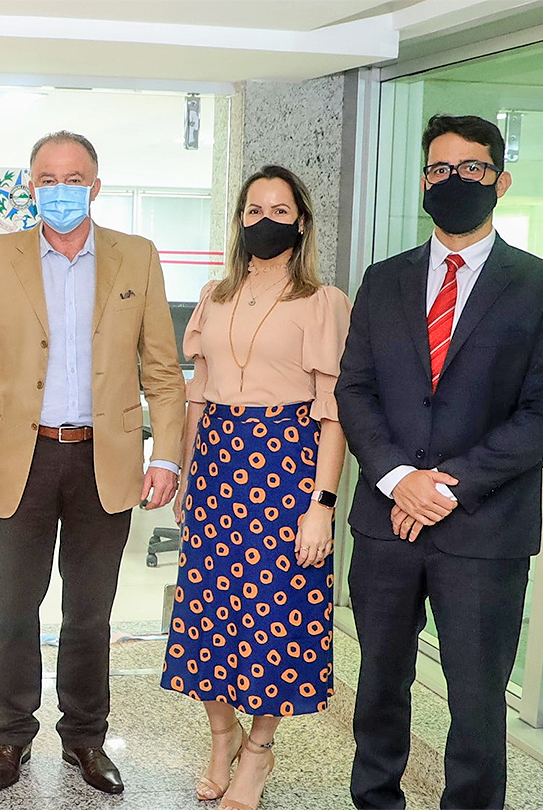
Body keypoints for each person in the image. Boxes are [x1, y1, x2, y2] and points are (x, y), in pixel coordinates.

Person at [338, 114, 543, 810]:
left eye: (471, 168)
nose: (454, 180)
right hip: (386, 523)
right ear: (423, 182)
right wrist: (398, 480)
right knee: (379, 686)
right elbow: (355, 389)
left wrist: (445, 487)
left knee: (476, 700)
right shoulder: (383, 280)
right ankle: (375, 800)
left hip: (484, 528)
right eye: (439, 169)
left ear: (500, 181)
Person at [0, 131, 187, 795]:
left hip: (104, 460)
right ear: (31, 187)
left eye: (73, 178)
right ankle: (10, 736)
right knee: (15, 607)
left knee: (90, 613)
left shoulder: (137, 257)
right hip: (19, 459)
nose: (60, 190)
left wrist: (167, 455)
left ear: (95, 186)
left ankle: (85, 736)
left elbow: (163, 371)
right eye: (47, 179)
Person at [161, 165, 350, 810]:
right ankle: (222, 737)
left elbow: (334, 412)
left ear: (301, 222)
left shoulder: (323, 302)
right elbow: (198, 393)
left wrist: (322, 506)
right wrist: (186, 474)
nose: (264, 222)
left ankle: (259, 750)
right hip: (216, 468)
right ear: (239, 221)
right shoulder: (215, 295)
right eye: (253, 211)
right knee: (206, 611)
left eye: (279, 211)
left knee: (277, 616)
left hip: (287, 471)